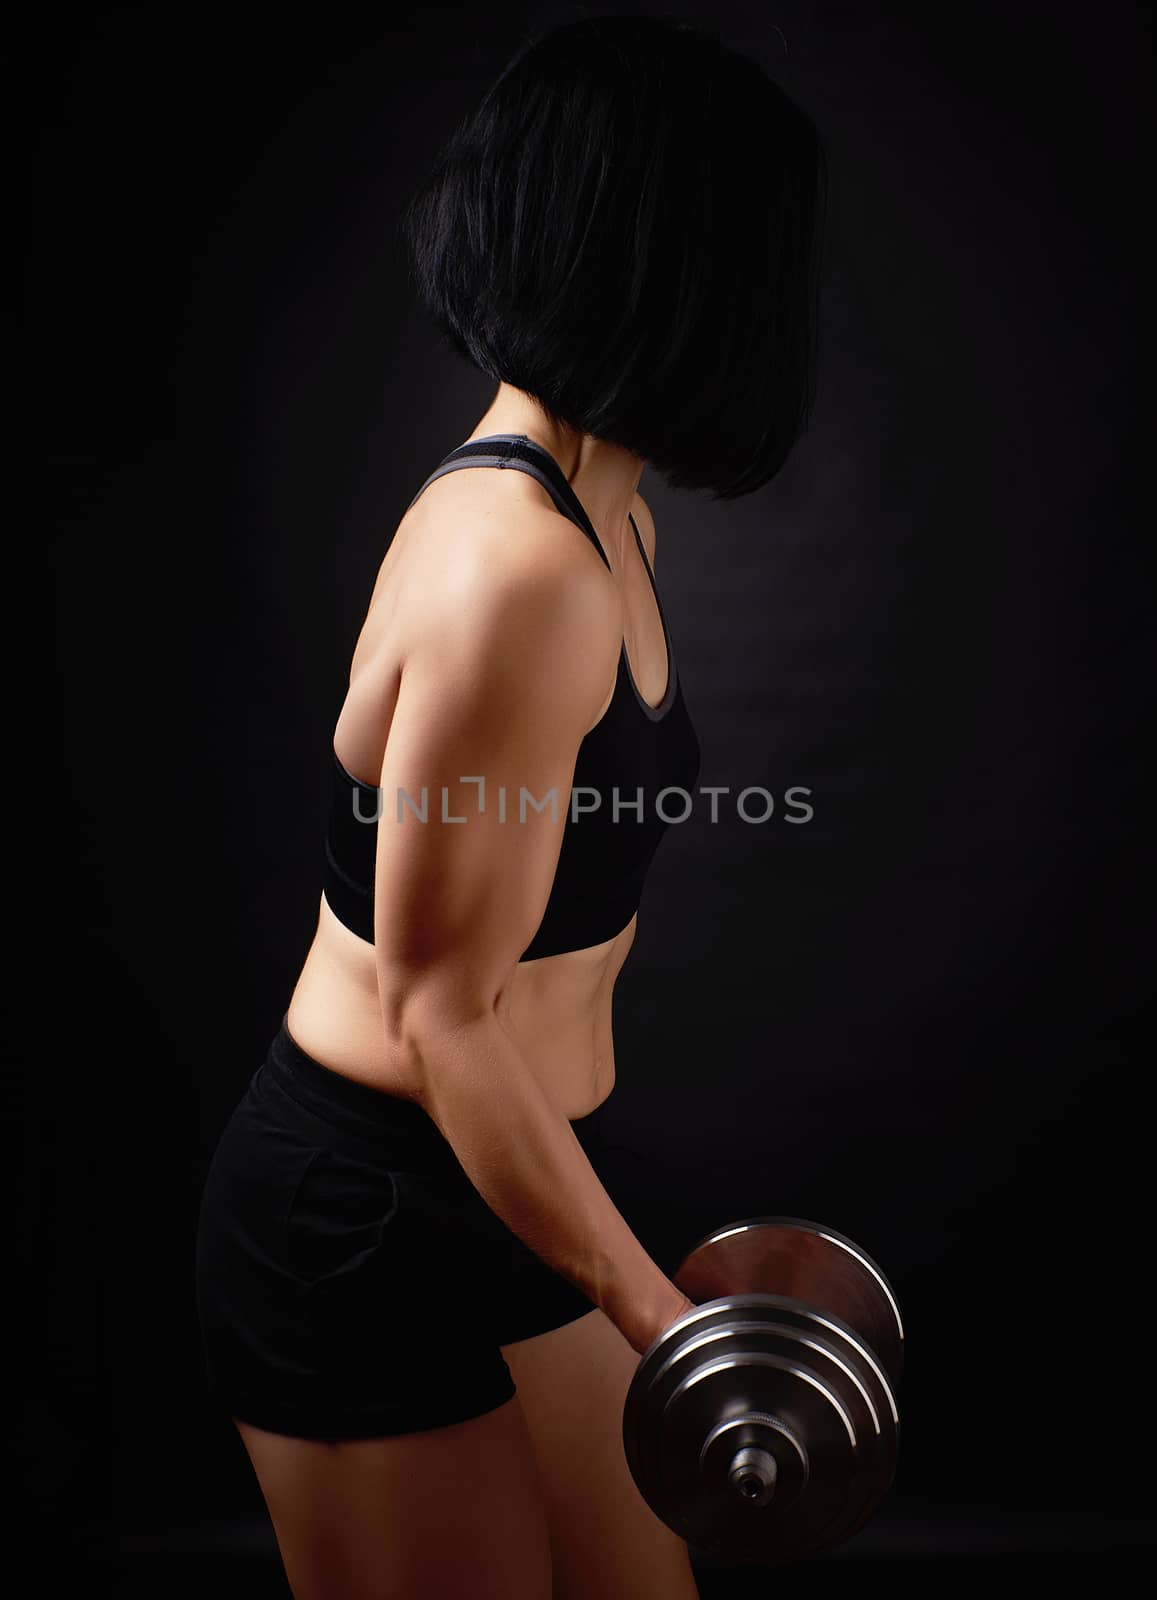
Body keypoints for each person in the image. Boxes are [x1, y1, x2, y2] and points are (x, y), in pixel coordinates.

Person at [195, 14, 827, 1598]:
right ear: (684, 266)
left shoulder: (612, 534)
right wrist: (658, 1317)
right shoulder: (516, 568)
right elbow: (438, 1015)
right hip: (360, 1216)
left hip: (507, 1181)